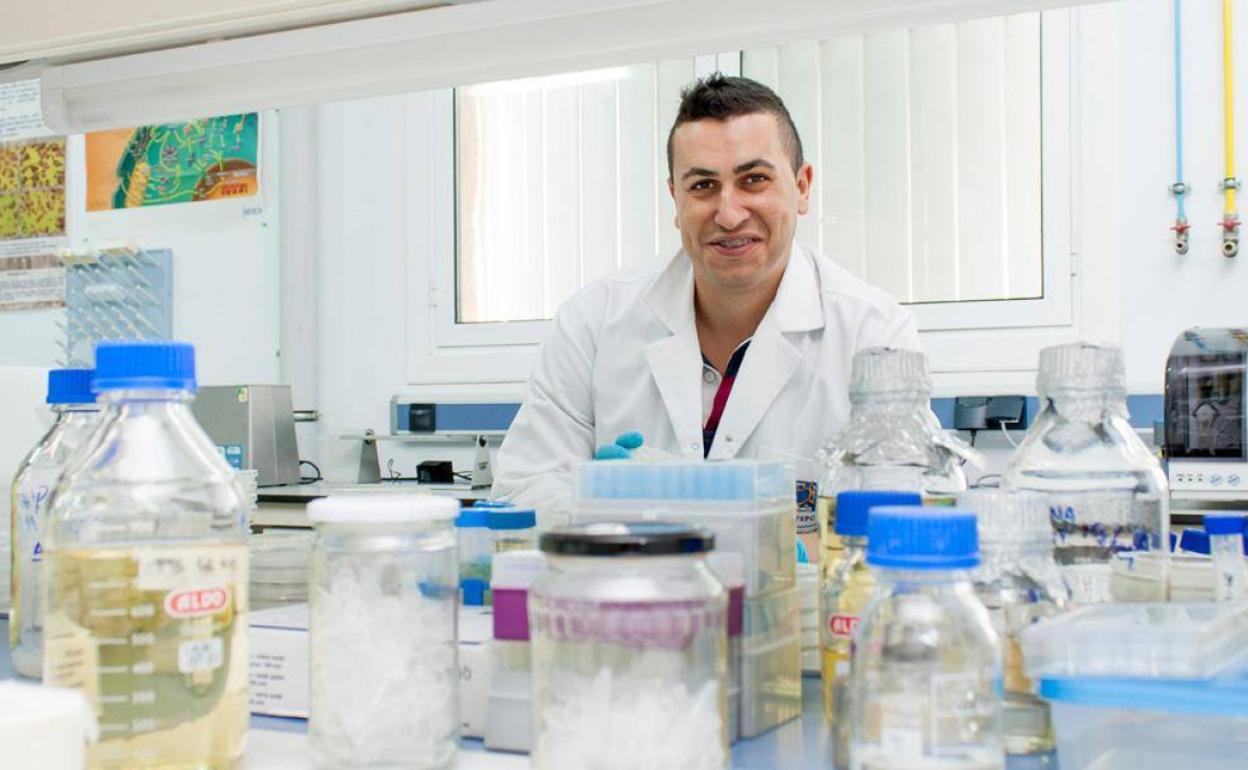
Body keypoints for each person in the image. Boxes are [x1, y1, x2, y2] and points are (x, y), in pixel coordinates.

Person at [492, 74, 918, 517]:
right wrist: (612, 508)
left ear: (802, 186)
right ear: (675, 198)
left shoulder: (873, 335)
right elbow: (525, 485)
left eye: (754, 179)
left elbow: (898, 504)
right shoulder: (593, 321)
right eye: (703, 186)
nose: (729, 215)